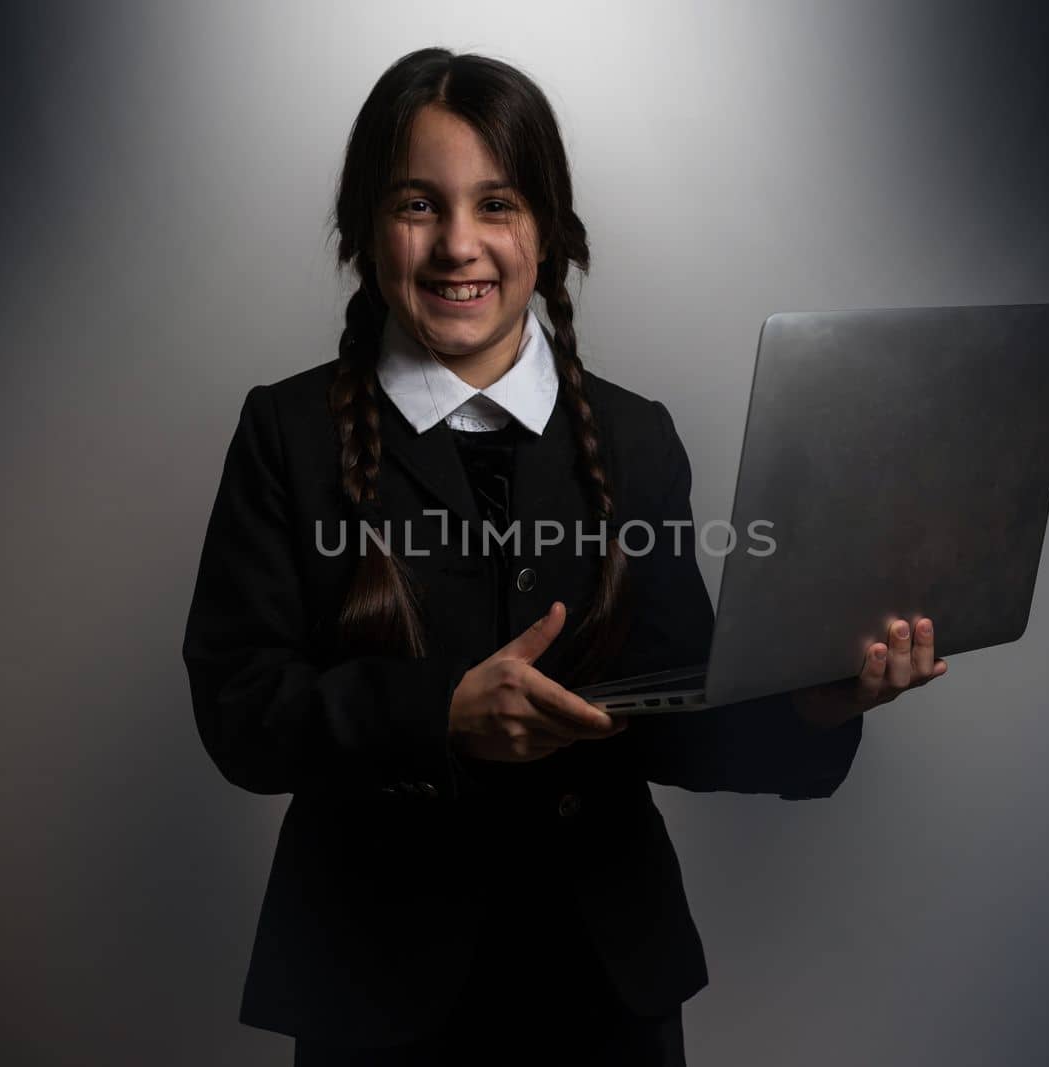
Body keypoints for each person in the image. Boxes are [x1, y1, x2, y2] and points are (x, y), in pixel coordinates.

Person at [181, 47, 947, 1066]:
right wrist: (439, 717)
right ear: (367, 228)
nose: (460, 244)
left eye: (496, 204)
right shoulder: (288, 431)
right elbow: (240, 710)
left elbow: (679, 716)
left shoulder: (633, 437)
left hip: (605, 992)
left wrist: (816, 702)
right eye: (419, 204)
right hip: (374, 991)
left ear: (549, 230)